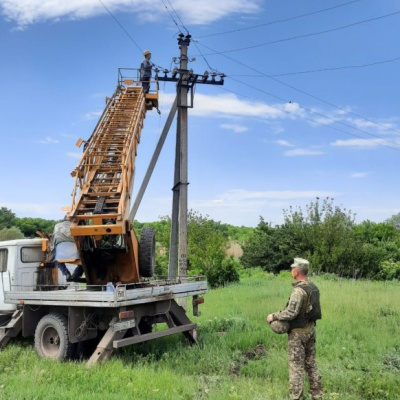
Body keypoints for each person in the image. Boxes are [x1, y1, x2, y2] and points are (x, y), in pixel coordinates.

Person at [267, 257, 323, 400]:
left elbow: (291, 313)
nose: (291, 270)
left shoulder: (298, 291)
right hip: (310, 330)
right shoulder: (312, 287)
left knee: (296, 366)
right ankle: (317, 393)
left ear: (297, 271)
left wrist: (273, 316)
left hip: (298, 334)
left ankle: (296, 397)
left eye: (293, 269)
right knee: (311, 363)